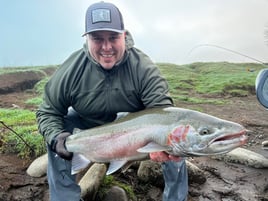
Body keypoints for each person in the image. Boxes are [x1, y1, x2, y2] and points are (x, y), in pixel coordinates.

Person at [36, 2, 188, 201]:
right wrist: (56, 137)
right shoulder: (72, 69)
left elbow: (163, 113)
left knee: (175, 140)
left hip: (136, 134)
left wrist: (164, 142)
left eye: (113, 37)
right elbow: (48, 111)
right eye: (97, 38)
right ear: (87, 38)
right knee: (59, 134)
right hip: (88, 129)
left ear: (124, 35)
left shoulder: (143, 68)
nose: (106, 47)